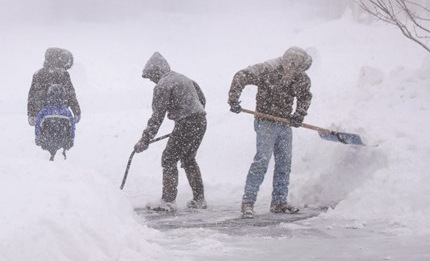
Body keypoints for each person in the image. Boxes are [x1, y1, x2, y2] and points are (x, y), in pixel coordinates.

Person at [227, 46, 313, 218]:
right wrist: (233, 99)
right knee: (262, 161)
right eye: (296, 67)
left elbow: (305, 97)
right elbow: (240, 76)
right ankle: (248, 203)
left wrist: (299, 114)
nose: (298, 72)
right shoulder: (268, 69)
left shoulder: (302, 78)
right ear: (290, 61)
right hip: (265, 122)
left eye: (301, 69)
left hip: (284, 124)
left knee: (284, 163)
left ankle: (279, 202)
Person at [134, 52, 207, 212]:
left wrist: (145, 139)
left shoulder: (163, 85)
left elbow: (157, 116)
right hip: (200, 121)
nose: (152, 80)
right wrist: (192, 115)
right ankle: (199, 198)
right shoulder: (184, 78)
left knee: (168, 158)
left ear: (156, 71)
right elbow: (202, 99)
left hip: (187, 123)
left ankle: (168, 201)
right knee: (188, 158)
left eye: (151, 76)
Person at [27, 47, 81, 127]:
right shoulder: (63, 74)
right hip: (61, 114)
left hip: (42, 115)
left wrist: (31, 114)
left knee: (43, 136)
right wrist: (76, 111)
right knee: (62, 136)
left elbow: (32, 96)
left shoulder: (38, 74)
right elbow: (71, 95)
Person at [35, 84, 76, 161]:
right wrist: (71, 139)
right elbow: (72, 127)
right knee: (61, 160)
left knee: (47, 160)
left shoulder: (44, 111)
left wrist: (38, 137)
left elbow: (37, 125)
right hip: (62, 142)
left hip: (47, 141)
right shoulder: (67, 112)